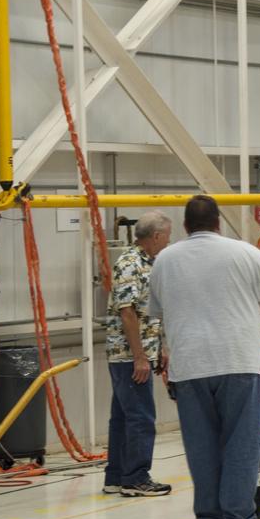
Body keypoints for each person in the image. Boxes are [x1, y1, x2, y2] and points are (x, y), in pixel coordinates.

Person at [150, 196, 260, 519]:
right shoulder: (245, 253)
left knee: (202, 448)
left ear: (185, 226)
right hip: (238, 362)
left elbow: (157, 313)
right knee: (242, 446)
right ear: (218, 223)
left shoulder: (164, 260)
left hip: (189, 367)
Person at [104, 211, 173, 497]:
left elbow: (150, 311)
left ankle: (117, 476)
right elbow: (127, 311)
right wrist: (140, 357)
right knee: (141, 417)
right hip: (129, 356)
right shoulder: (131, 263)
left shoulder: (151, 263)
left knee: (122, 417)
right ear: (156, 237)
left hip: (139, 351)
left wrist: (162, 347)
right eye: (167, 237)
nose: (169, 242)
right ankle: (135, 478)